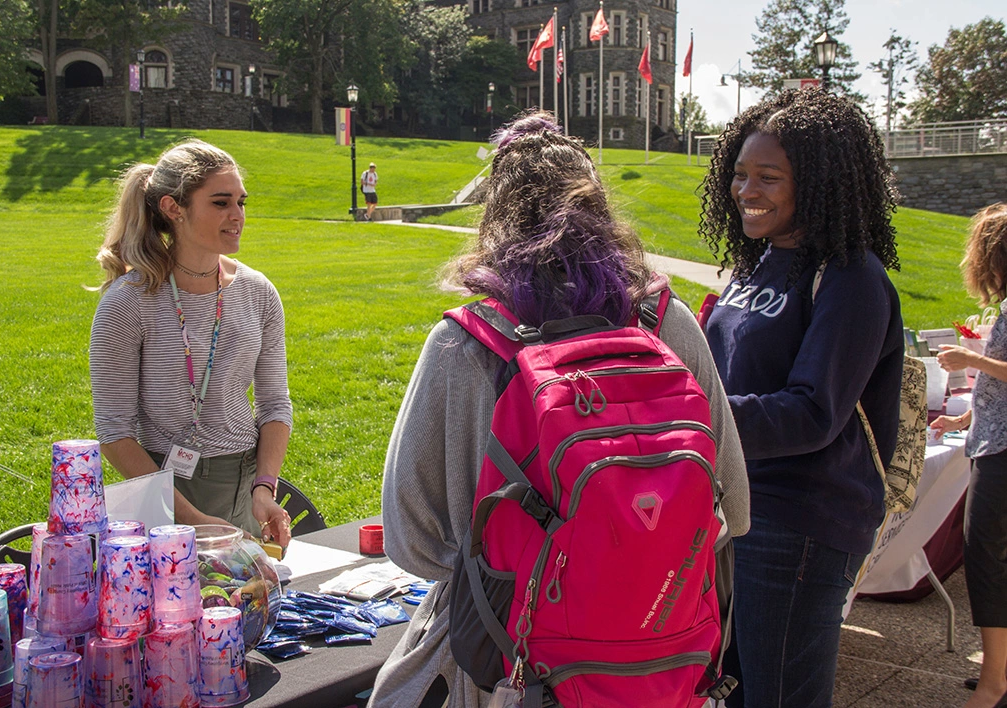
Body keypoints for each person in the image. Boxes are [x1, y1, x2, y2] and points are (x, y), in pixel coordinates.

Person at [369, 111, 750, 708]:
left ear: (494, 217)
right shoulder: (668, 323)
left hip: (510, 668)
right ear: (602, 212)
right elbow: (734, 504)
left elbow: (410, 539)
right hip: (664, 662)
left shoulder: (465, 344)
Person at [699, 88, 904, 708]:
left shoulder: (852, 278)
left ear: (815, 183)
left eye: (768, 177)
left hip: (799, 526)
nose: (746, 192)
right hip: (733, 511)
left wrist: (695, 419)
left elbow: (814, 411)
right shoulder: (756, 264)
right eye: (739, 174)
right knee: (730, 691)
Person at [89, 139, 294, 548]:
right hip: (161, 489)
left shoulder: (258, 292)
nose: (237, 216)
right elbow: (115, 432)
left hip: (243, 485)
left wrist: (264, 489)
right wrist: (194, 520)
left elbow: (274, 404)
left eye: (241, 202)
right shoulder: (128, 302)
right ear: (173, 208)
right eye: (221, 203)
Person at [930, 203, 1007, 708]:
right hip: (991, 440)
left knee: (987, 560)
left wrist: (970, 358)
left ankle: (994, 682)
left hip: (1002, 454)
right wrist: (964, 419)